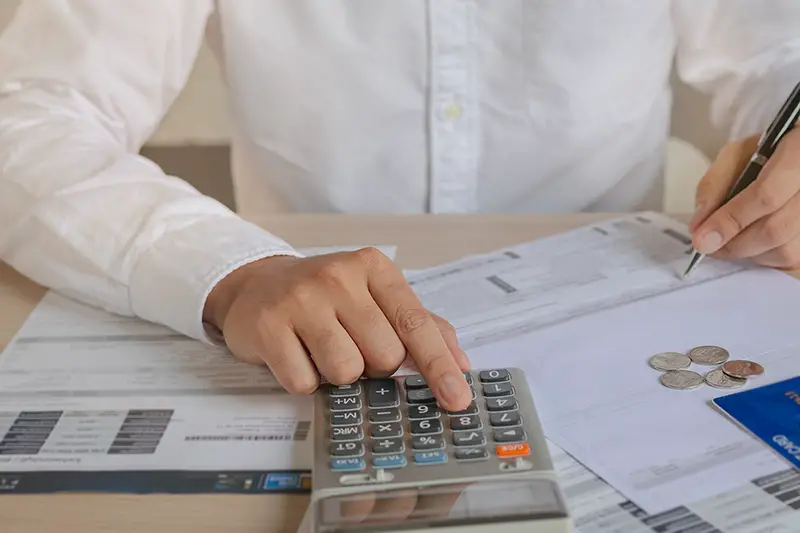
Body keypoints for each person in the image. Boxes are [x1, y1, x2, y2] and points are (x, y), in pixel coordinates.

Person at [1, 1, 799, 413]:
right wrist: (229, 270)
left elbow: (774, 53)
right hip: (298, 342)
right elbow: (29, 111)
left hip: (615, 315)